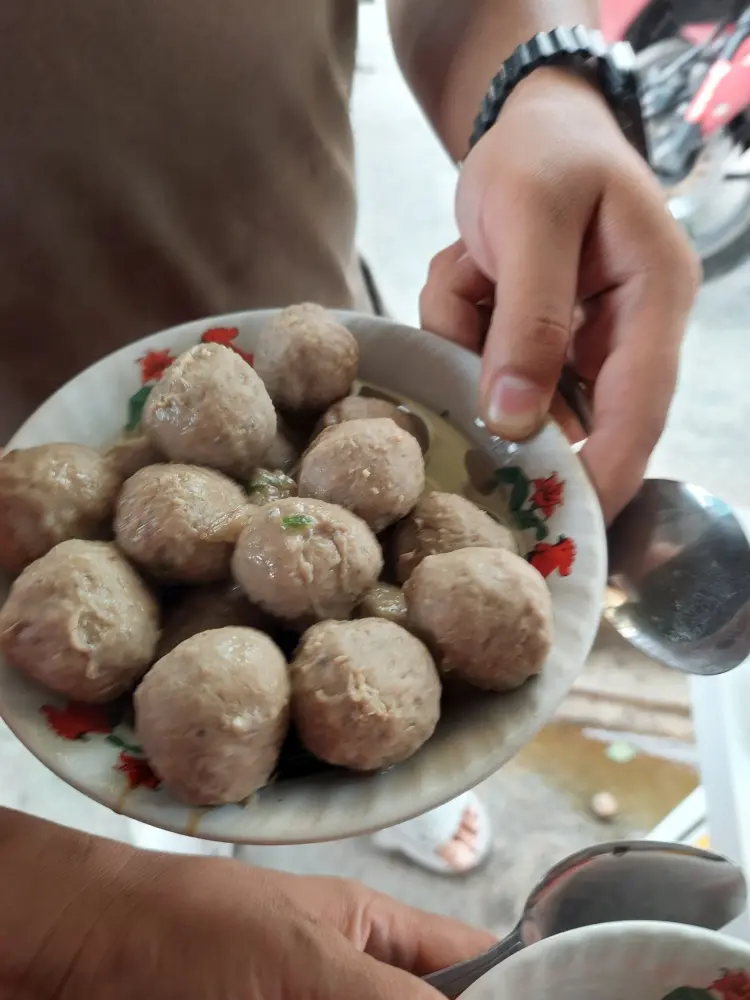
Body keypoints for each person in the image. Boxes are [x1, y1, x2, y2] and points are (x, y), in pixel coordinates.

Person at [0, 0, 699, 991]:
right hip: (32, 424)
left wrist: (541, 83)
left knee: (377, 749)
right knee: (181, 799)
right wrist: (68, 922)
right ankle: (206, 832)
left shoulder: (356, 468)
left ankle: (387, 798)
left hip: (301, 328)